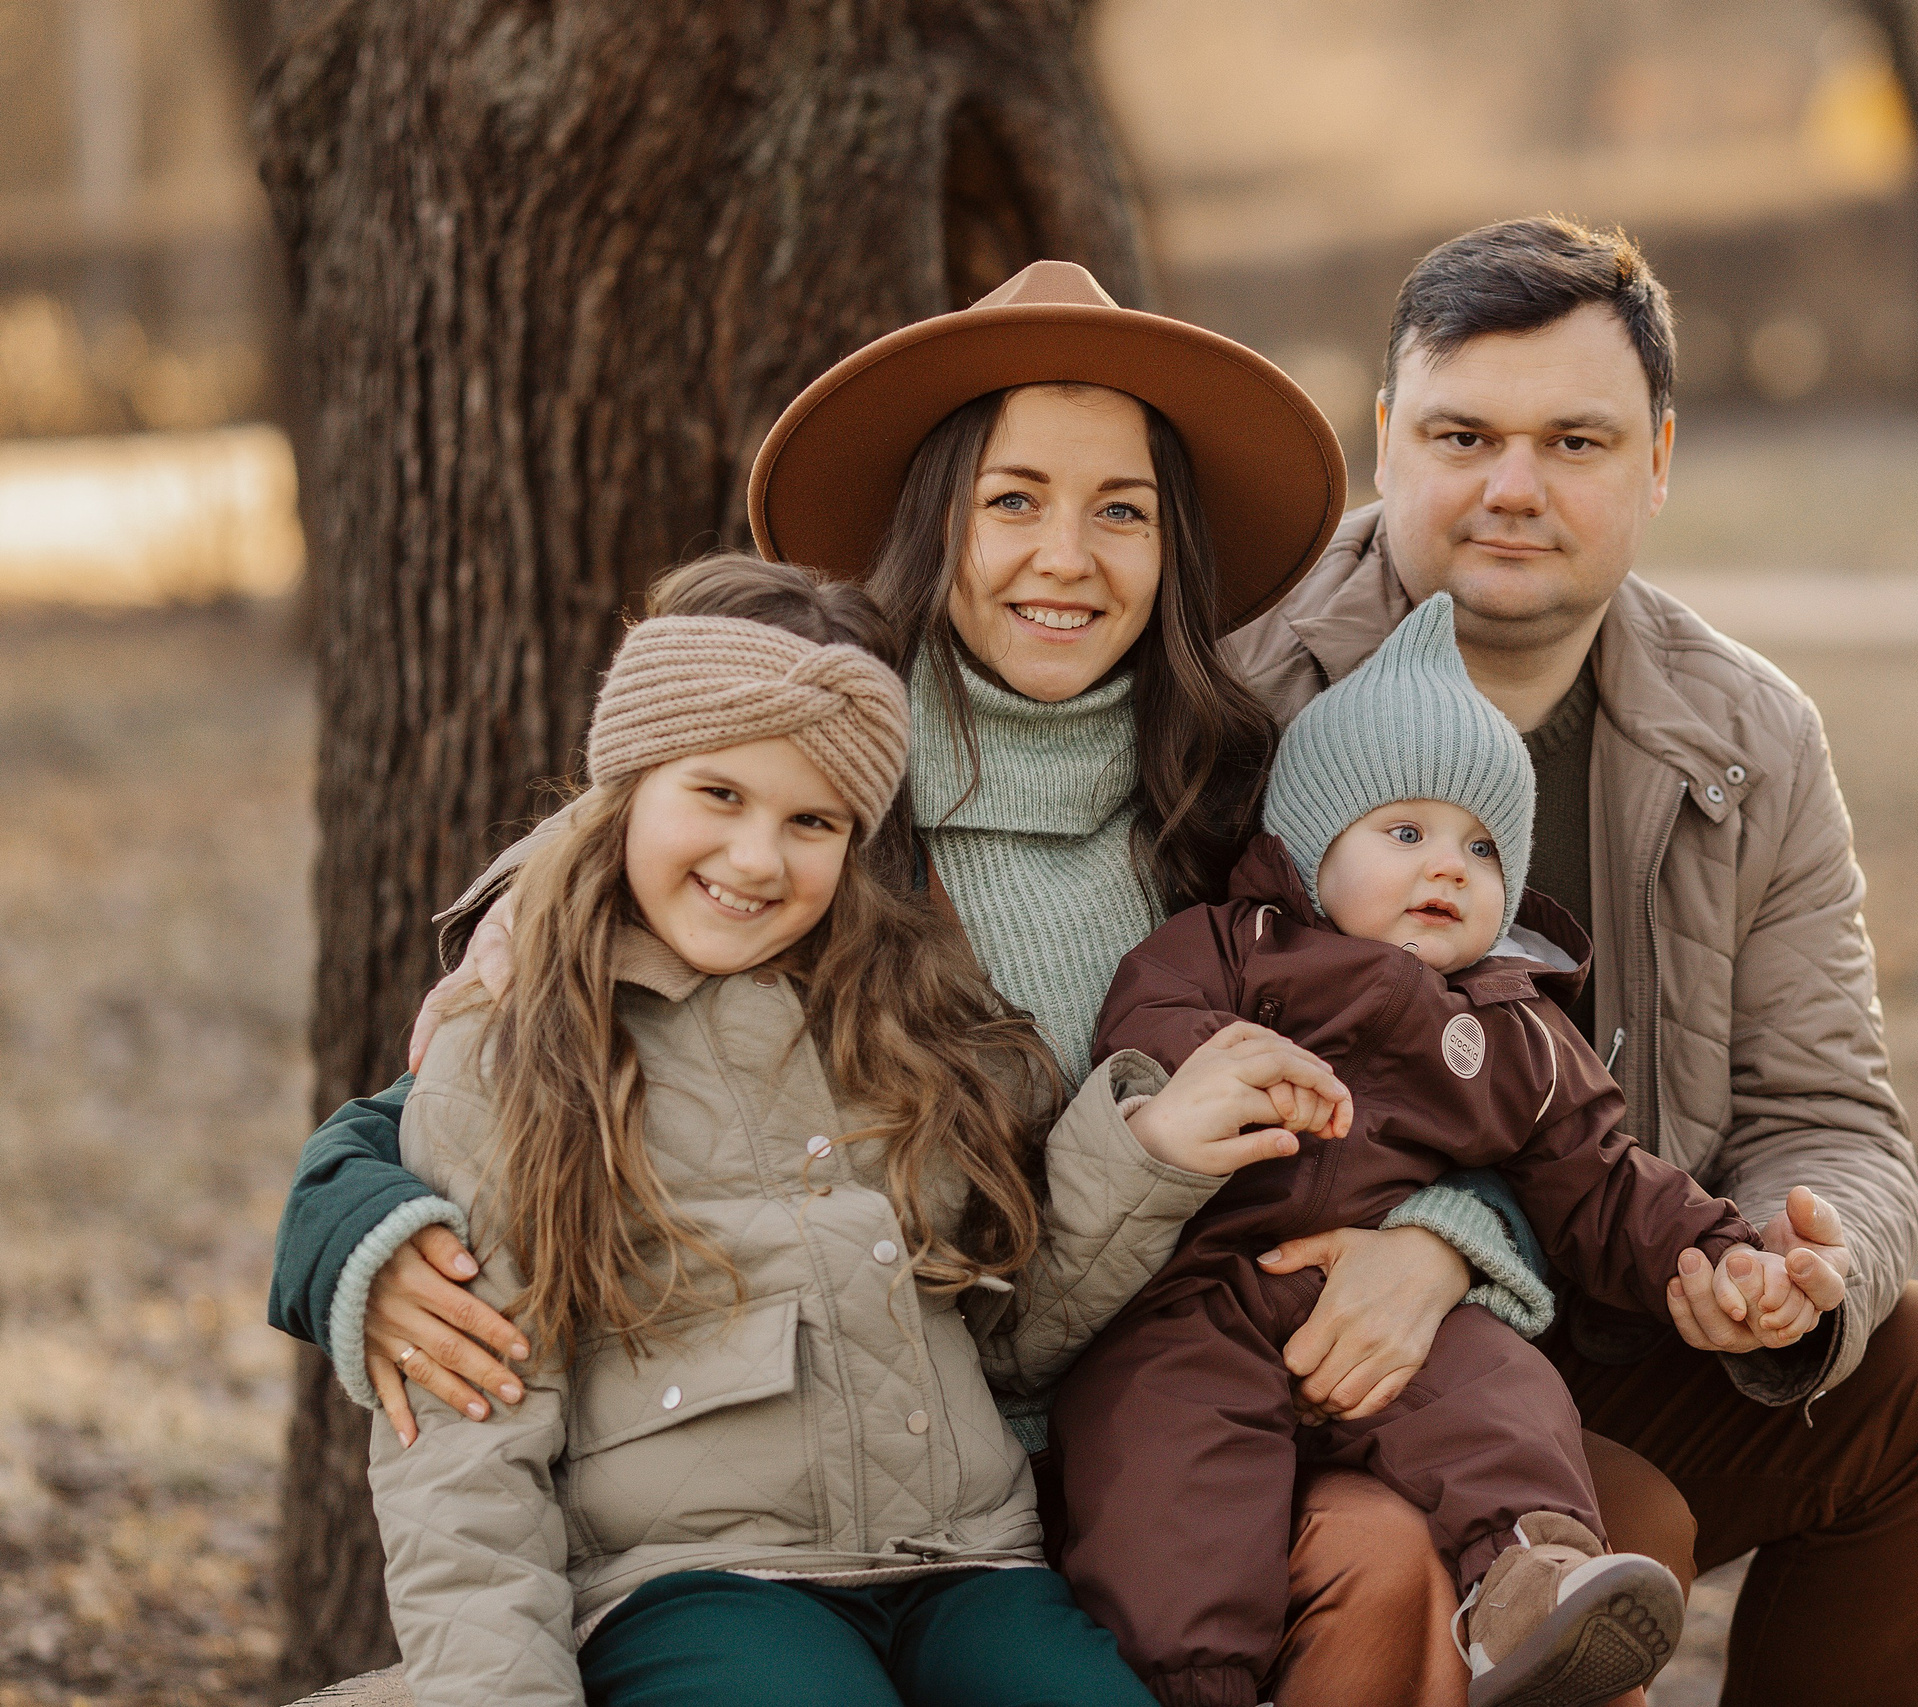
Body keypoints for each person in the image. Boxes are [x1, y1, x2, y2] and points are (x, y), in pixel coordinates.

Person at [268, 260, 1565, 1705]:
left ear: (1171, 550)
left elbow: (1451, 1057)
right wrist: (351, 1224)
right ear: (935, 521)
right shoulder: (807, 788)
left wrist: (1446, 1236)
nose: (1065, 556)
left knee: (1394, 1552)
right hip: (812, 1494)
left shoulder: (1232, 809)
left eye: (1120, 510)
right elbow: (486, 1083)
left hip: (1154, 1433)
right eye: (1011, 500)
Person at [1220, 217, 1918, 1705]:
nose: (1513, 487)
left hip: (1615, 1298)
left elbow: (1828, 1109)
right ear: (1385, 439)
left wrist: (1796, 1264)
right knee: (1620, 1525)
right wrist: (1445, 1244)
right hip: (1304, 1341)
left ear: (1656, 460)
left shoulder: (1748, 736)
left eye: (1575, 441)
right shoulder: (1242, 693)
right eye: (1463, 435)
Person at [373, 555, 1354, 1707]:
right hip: (692, 1580)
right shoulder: (518, 1050)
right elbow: (467, 1456)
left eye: (812, 820)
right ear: (627, 784)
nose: (757, 859)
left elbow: (1005, 1334)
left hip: (966, 1561)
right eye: (718, 794)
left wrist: (1146, 1154)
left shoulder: (913, 1018)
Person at [1056, 593, 1749, 1707]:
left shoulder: (1515, 1030)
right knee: (1165, 1472)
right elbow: (1144, 1028)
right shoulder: (1234, 949)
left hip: (1409, 1318)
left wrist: (1718, 1252)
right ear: (1310, 848)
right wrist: (1226, 1066)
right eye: (1406, 832)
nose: (1450, 867)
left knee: (1504, 1397)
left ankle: (1530, 1582)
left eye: (1483, 847)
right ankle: (1193, 1679)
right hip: (1204, 1293)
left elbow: (1602, 1177)